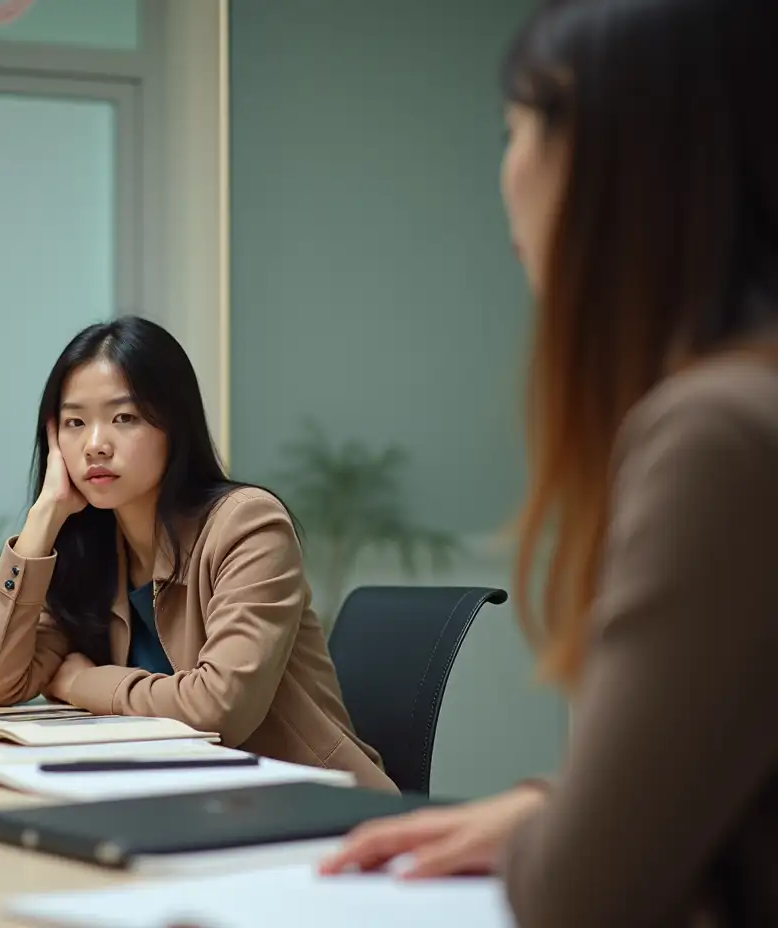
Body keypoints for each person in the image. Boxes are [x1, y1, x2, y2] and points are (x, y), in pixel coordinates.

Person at [321, 0, 778, 924]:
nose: (506, 172)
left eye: (514, 128)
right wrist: (554, 805)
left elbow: (584, 895)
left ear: (614, 154)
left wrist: (559, 833)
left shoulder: (718, 437)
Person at [0, 316, 397, 792]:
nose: (96, 444)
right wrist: (42, 524)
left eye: (125, 418)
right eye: (74, 423)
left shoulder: (248, 525)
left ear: (174, 425)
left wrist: (79, 683)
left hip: (311, 810)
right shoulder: (87, 548)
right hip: (173, 801)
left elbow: (217, 711)